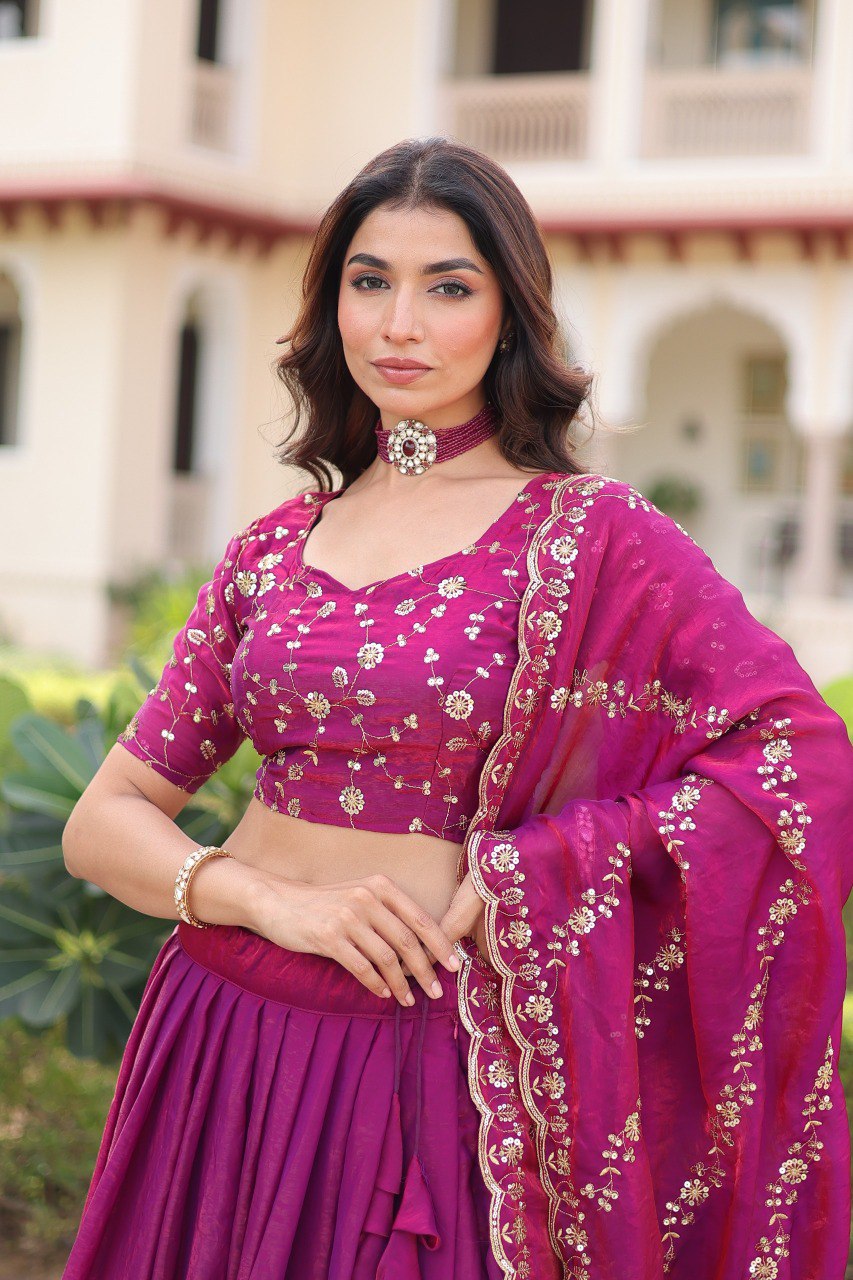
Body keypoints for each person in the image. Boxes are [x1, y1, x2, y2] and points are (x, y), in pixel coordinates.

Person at [59, 137, 853, 1280]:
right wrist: (265, 899)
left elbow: (799, 758)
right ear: (332, 306)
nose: (399, 324)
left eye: (448, 287)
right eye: (369, 280)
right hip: (222, 1034)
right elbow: (107, 817)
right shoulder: (273, 550)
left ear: (508, 312)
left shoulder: (593, 536)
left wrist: (549, 863)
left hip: (425, 1057)